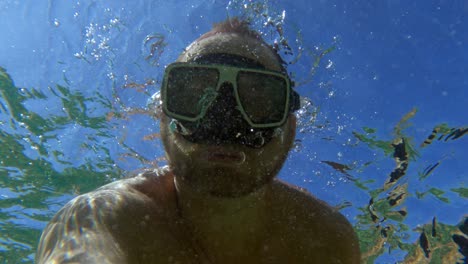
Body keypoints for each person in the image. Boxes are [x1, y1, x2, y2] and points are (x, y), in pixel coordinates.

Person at [36, 18, 361, 264]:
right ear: (163, 122)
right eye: (195, 95)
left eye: (258, 100)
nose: (224, 120)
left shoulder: (327, 240)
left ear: (289, 132)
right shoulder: (104, 220)